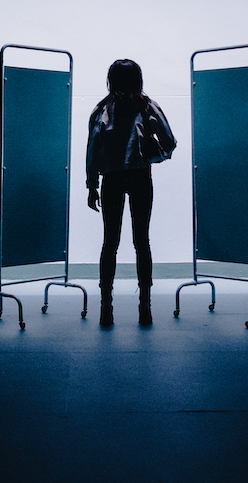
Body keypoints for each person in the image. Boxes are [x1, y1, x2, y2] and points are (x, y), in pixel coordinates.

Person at [86, 59, 176, 328]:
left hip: (112, 179)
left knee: (109, 243)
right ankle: (145, 304)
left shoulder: (102, 109)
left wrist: (92, 185)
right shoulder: (148, 106)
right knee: (142, 242)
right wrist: (155, 155)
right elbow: (170, 142)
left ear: (110, 80)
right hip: (140, 176)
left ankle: (105, 306)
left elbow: (93, 150)